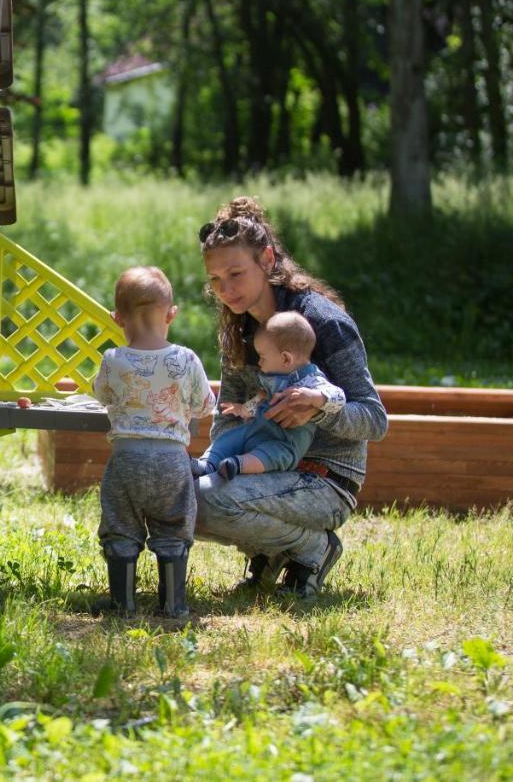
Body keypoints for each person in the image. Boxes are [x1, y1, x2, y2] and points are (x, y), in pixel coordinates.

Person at [196, 197, 387, 598]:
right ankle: (272, 551)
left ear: (266, 259)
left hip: (326, 481)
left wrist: (320, 408)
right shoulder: (240, 327)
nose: (225, 290)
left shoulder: (323, 322)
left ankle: (313, 548)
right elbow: (226, 420)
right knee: (181, 495)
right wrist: (220, 458)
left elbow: (374, 419)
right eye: (215, 280)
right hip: (263, 470)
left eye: (235, 273)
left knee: (207, 501)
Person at [92, 266, 216, 618]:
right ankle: (173, 604)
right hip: (171, 462)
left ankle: (122, 603)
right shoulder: (186, 359)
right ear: (171, 314)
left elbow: (101, 394)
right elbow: (205, 406)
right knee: (174, 526)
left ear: (118, 319)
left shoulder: (113, 360)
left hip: (126, 461)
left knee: (120, 524)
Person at [193, 311, 346, 480]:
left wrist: (314, 398)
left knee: (271, 456)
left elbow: (339, 397)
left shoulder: (312, 381)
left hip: (283, 442)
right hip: (256, 429)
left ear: (286, 359)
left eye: (263, 357)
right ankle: (206, 464)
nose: (259, 363)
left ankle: (236, 465)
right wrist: (243, 409)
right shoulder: (273, 377)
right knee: (229, 438)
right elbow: (262, 400)